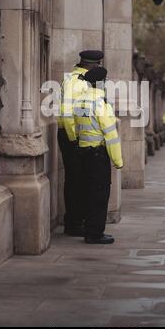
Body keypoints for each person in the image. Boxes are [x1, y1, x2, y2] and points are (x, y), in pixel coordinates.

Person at [73, 67, 123, 244]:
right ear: (101, 83)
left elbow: (75, 127)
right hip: (97, 155)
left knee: (86, 192)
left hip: (83, 152)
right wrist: (118, 161)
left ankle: (88, 229)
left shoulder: (79, 101)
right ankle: (95, 233)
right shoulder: (101, 103)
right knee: (99, 195)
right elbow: (111, 134)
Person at [58, 50, 104, 236]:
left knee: (82, 180)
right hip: (73, 137)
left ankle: (79, 219)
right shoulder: (76, 82)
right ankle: (74, 223)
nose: (99, 68)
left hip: (78, 137)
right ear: (91, 65)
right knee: (76, 181)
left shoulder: (80, 79)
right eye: (98, 65)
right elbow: (67, 113)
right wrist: (74, 139)